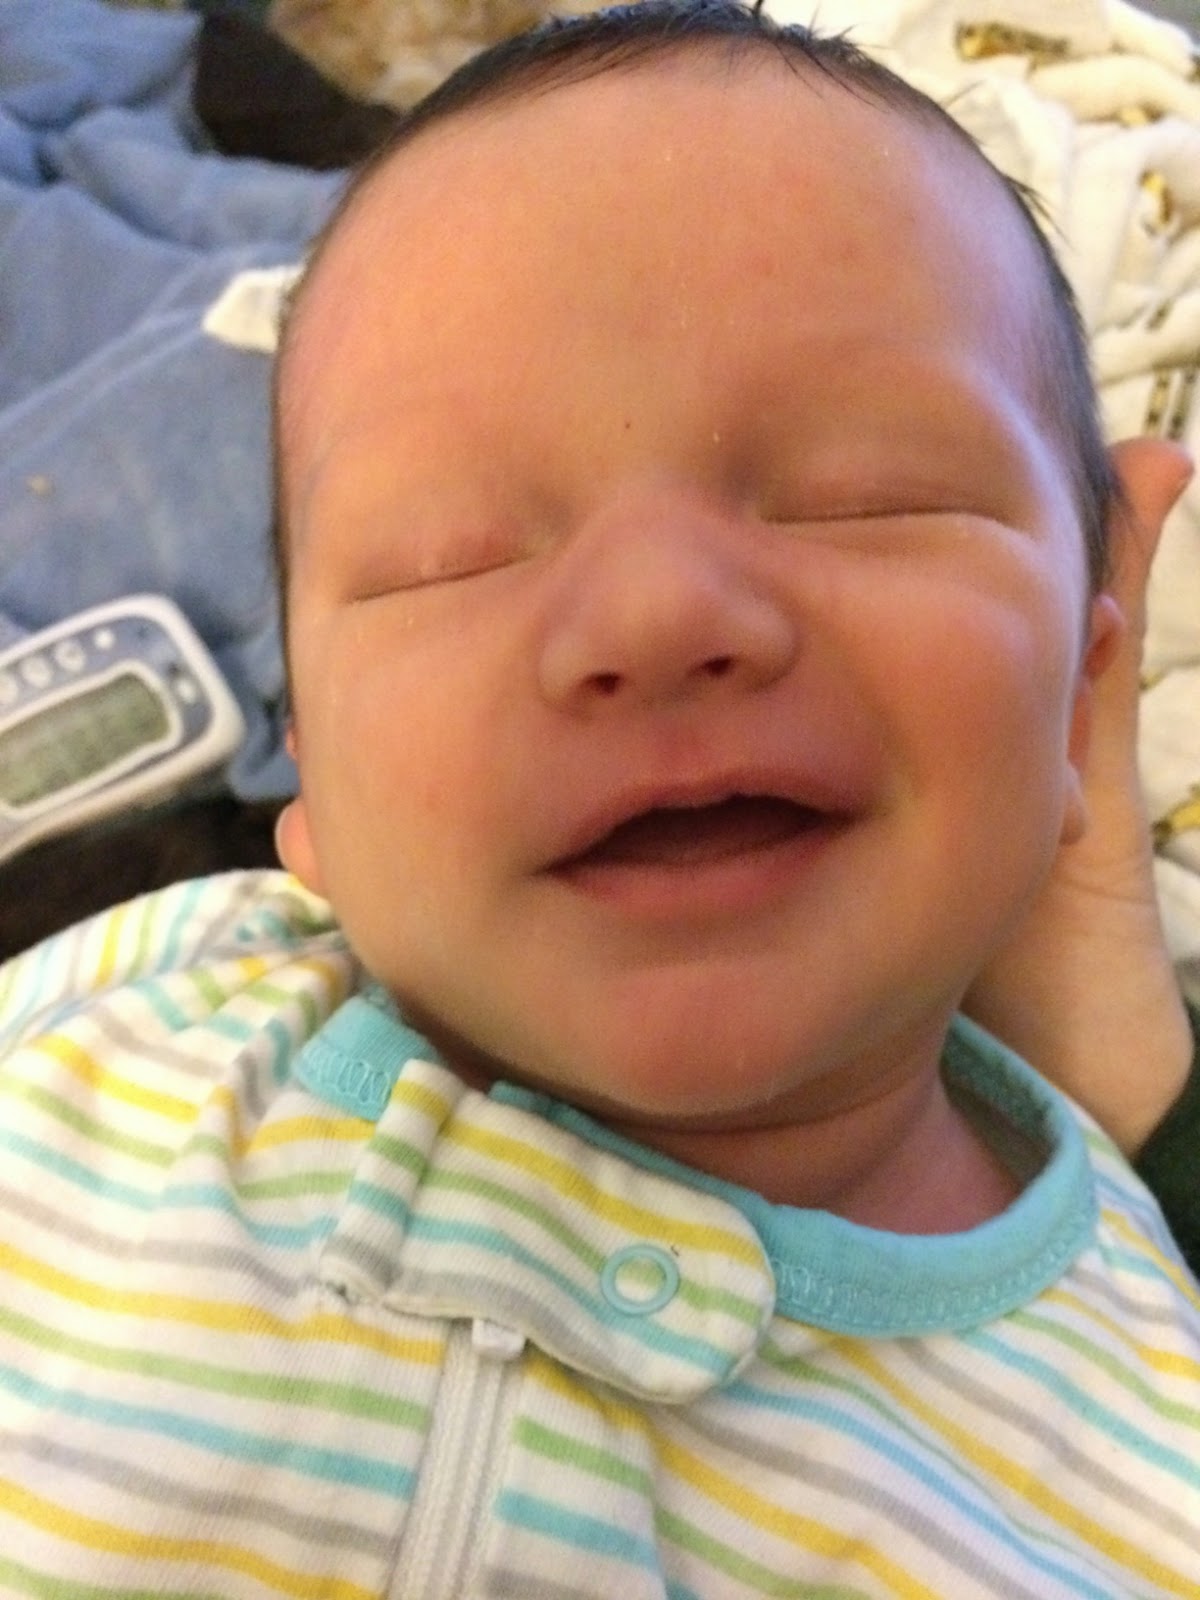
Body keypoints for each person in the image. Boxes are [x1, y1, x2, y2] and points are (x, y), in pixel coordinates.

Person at [0, 4, 1197, 1594]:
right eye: (449, 554)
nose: (657, 610)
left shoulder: (1152, 1430)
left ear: (1081, 702)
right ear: (311, 787)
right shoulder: (120, 1029)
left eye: (866, 496)